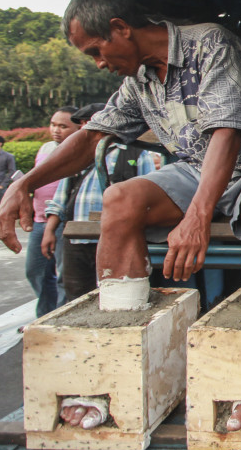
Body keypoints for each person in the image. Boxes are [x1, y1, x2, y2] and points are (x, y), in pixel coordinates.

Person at [0, 0, 241, 434]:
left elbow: (226, 134)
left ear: (121, 29)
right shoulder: (138, 82)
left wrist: (197, 218)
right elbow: (89, 138)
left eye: (97, 51)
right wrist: (24, 183)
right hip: (198, 173)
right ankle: (116, 369)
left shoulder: (210, 43)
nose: (99, 63)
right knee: (118, 200)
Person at [42, 103, 156, 303]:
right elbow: (61, 198)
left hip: (115, 238)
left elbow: (150, 195)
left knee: (114, 294)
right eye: (84, 123)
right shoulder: (76, 158)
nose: (86, 126)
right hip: (77, 239)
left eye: (90, 121)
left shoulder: (136, 154)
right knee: (75, 294)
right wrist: (50, 230)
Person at [22, 107, 79, 317]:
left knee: (65, 273)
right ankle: (45, 314)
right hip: (40, 220)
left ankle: (62, 316)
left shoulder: (78, 152)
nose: (56, 130)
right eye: (53, 124)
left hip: (64, 220)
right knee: (35, 270)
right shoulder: (46, 148)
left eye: (63, 126)